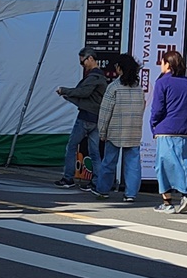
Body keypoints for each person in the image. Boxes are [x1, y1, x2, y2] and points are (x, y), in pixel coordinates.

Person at [94, 53, 146, 201]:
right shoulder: (139, 89)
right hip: (134, 131)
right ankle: (131, 193)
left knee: (109, 162)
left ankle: (103, 190)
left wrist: (102, 131)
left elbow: (105, 112)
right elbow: (142, 108)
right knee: (133, 164)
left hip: (115, 131)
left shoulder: (113, 88)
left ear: (119, 68)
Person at [150, 50, 187, 214]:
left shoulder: (162, 82)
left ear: (167, 64)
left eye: (162, 62)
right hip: (185, 129)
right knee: (184, 162)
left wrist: (153, 124)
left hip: (166, 128)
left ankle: (168, 201)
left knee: (162, 166)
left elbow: (157, 109)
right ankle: (184, 193)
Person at [54, 48, 107, 190]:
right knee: (95, 152)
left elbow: (83, 92)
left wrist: (64, 91)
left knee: (71, 146)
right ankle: (96, 182)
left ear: (90, 58)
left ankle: (68, 178)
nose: (82, 65)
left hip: (85, 117)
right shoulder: (101, 77)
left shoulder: (93, 77)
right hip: (97, 118)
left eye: (82, 62)